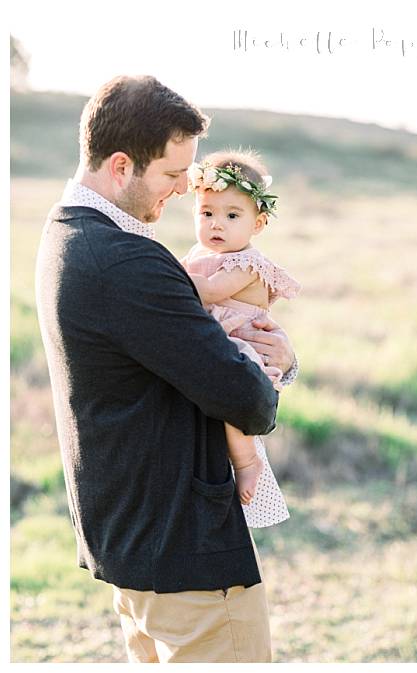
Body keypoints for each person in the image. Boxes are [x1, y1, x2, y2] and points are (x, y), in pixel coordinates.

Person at [34, 75, 298, 662]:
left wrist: (281, 357)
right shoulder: (126, 261)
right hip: (183, 551)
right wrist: (267, 368)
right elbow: (246, 399)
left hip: (132, 540)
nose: (184, 191)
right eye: (175, 175)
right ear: (122, 166)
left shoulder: (66, 236)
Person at [181, 149, 298, 525]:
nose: (218, 224)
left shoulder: (246, 262)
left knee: (234, 392)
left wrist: (163, 273)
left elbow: (211, 292)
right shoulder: (200, 253)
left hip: (240, 339)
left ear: (257, 224)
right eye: (207, 213)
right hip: (218, 334)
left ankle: (246, 460)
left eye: (232, 216)